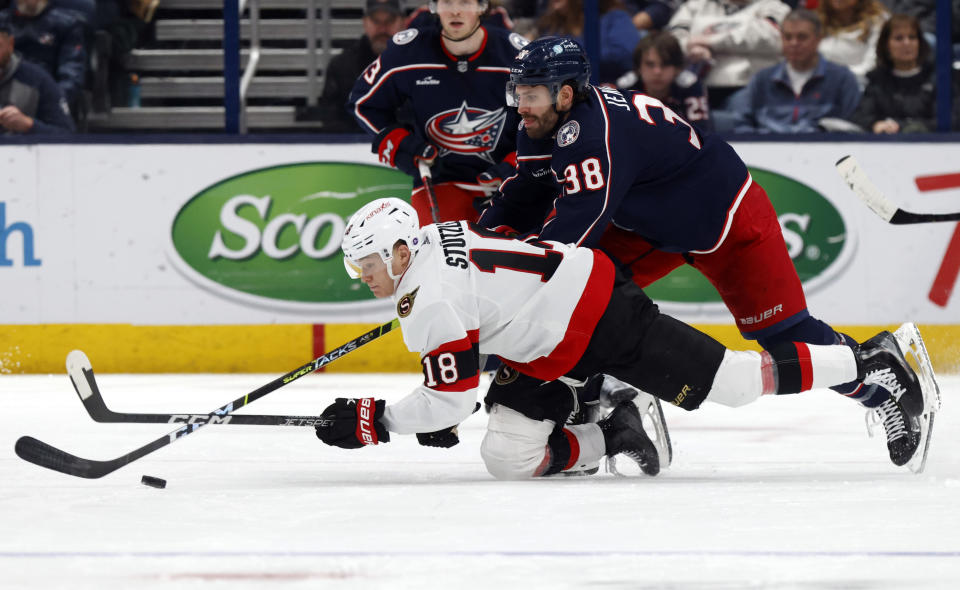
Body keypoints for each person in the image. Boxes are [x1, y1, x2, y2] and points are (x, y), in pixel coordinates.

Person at [478, 36, 914, 451]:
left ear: (566, 94)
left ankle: (878, 380)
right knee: (586, 301)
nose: (521, 106)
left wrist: (508, 269)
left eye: (531, 94)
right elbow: (522, 195)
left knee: (786, 336)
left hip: (726, 221)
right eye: (518, 92)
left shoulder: (592, 137)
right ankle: (591, 405)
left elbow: (574, 231)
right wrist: (476, 242)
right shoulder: (542, 124)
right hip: (649, 229)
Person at [313, 197, 934, 479]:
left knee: (737, 385)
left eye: (366, 265)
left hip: (594, 315)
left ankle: (867, 362)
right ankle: (616, 427)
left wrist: (378, 419)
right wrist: (437, 401)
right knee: (507, 457)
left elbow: (449, 398)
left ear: (399, 251)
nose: (362, 278)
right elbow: (472, 339)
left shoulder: (427, 298)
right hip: (544, 341)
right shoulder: (432, 243)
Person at [348, 0, 528, 226]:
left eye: (465, 2)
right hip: (437, 182)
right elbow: (362, 103)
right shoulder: (408, 53)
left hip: (506, 184)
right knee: (436, 257)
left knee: (507, 259)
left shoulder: (516, 57)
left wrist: (518, 163)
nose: (455, 10)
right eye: (447, 2)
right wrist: (402, 143)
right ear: (433, 6)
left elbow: (545, 121)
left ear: (482, 6)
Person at [731, 9, 861, 133]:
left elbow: (852, 127)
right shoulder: (762, 80)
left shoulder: (842, 79)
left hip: (824, 151)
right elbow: (742, 125)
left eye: (802, 37)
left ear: (818, 39)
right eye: (787, 37)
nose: (794, 43)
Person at [666, 0, 791, 109]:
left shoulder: (774, 7)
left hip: (749, 88)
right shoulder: (695, 6)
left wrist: (710, 42)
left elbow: (767, 37)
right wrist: (690, 48)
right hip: (696, 88)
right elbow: (673, 39)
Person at [849, 13, 954, 134]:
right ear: (886, 45)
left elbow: (951, 120)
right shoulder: (877, 80)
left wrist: (904, 126)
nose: (907, 43)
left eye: (912, 37)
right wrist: (875, 124)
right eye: (899, 38)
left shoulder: (940, 78)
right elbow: (861, 117)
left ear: (920, 42)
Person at [317, 0, 405, 133]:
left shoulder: (422, 65)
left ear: (403, 22)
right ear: (365, 23)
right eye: (376, 21)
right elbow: (331, 119)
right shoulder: (342, 66)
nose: (382, 29)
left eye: (390, 20)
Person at [617, 31, 713, 132]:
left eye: (665, 64)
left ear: (677, 68)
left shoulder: (690, 86)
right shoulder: (625, 89)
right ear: (639, 68)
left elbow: (701, 135)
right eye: (650, 64)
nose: (657, 72)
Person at [0, 0, 85, 107]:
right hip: (6, 95)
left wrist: (54, 103)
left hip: (47, 97)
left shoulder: (66, 23)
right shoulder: (3, 22)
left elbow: (71, 73)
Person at [535, 0, 640, 83]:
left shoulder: (615, 18)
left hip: (610, 88)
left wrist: (570, 55)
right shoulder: (551, 27)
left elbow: (625, 55)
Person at [0, 18, 74, 134]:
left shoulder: (37, 80)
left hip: (23, 150)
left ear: (11, 44)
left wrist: (29, 125)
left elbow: (67, 135)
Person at [816, 0, 888, 87]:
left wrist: (840, 76)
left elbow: (872, 63)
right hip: (820, 85)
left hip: (863, 86)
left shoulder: (877, 21)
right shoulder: (817, 20)